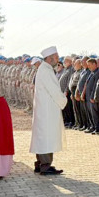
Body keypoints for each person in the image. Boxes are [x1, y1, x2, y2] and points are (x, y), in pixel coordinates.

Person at [30, 46, 68, 176]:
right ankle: (45, 166)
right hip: (47, 110)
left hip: (45, 109)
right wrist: (64, 100)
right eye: (56, 57)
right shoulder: (46, 70)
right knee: (46, 137)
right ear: (50, 58)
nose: (58, 60)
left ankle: (40, 164)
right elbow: (54, 90)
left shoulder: (44, 69)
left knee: (43, 137)